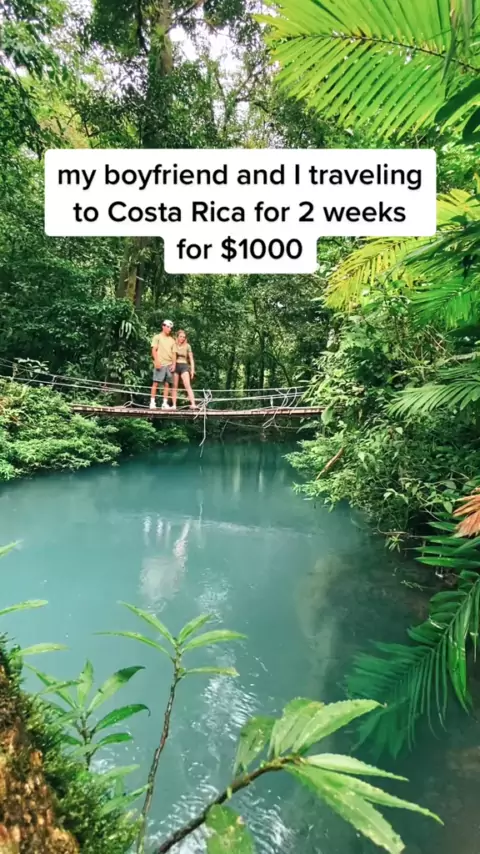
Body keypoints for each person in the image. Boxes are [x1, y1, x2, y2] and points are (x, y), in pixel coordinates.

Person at [150, 320, 176, 410]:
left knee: (167, 384)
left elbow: (174, 353)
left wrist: (174, 364)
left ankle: (164, 403)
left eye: (170, 328)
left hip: (169, 364)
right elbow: (153, 350)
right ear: (163, 326)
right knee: (155, 382)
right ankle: (152, 402)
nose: (169, 329)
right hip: (160, 363)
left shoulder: (172, 340)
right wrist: (156, 361)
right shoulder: (157, 337)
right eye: (168, 327)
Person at [171, 329, 197, 410]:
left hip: (184, 365)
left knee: (187, 385)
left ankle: (193, 404)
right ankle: (174, 405)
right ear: (177, 337)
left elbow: (191, 359)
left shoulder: (187, 346)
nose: (182, 338)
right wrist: (172, 366)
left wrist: (192, 370)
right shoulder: (174, 345)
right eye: (181, 336)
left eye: (183, 337)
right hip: (176, 365)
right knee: (174, 386)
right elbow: (173, 356)